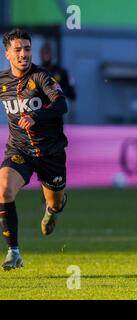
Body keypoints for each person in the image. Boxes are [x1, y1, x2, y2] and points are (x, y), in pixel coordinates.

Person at [0, 29, 68, 270]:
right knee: (4, 189)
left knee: (56, 203)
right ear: (7, 53)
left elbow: (62, 105)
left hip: (50, 153)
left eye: (27, 49)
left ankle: (51, 210)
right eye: (17, 50)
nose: (23, 54)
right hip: (19, 151)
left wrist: (36, 115)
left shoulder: (42, 77)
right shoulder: (2, 82)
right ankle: (14, 252)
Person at [40, 41, 76, 122]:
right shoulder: (35, 72)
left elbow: (72, 93)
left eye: (48, 51)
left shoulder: (61, 72)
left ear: (52, 53)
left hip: (57, 111)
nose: (46, 54)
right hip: (40, 111)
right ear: (40, 53)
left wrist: (60, 92)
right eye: (44, 52)